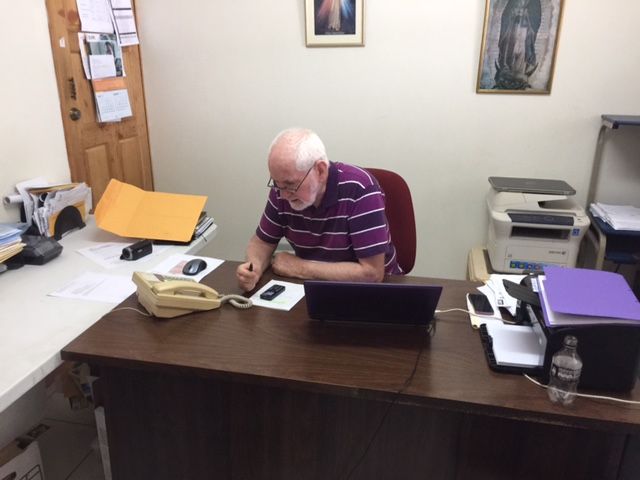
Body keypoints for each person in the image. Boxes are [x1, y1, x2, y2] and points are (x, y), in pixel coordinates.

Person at [236, 128, 402, 291]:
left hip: (375, 292)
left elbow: (371, 274)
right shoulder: (282, 189)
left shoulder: (361, 189)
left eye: (290, 184)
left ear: (321, 171)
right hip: (311, 286)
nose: (283, 195)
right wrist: (253, 267)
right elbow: (263, 242)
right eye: (276, 183)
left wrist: (300, 267)